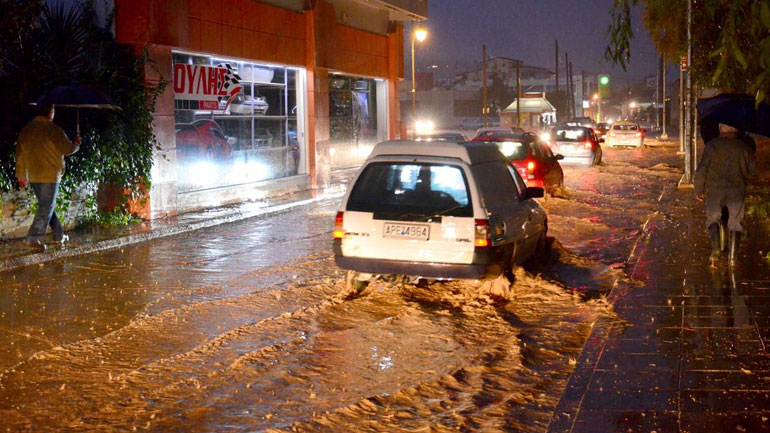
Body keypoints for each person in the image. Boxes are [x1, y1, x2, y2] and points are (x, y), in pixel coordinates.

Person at [15, 103, 81, 250]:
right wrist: (76, 144)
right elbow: (66, 148)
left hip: (33, 174)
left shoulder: (27, 130)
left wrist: (21, 173)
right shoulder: (53, 130)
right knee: (46, 206)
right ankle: (33, 238)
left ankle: (59, 234)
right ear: (50, 112)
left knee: (47, 206)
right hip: (49, 174)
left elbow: (20, 153)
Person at [694, 123, 757, 267]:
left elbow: (701, 170)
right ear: (736, 129)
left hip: (715, 191)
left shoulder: (711, 146)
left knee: (713, 218)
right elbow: (753, 171)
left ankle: (716, 252)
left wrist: (699, 190)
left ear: (721, 129)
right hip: (737, 190)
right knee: (736, 222)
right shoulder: (744, 147)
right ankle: (733, 258)